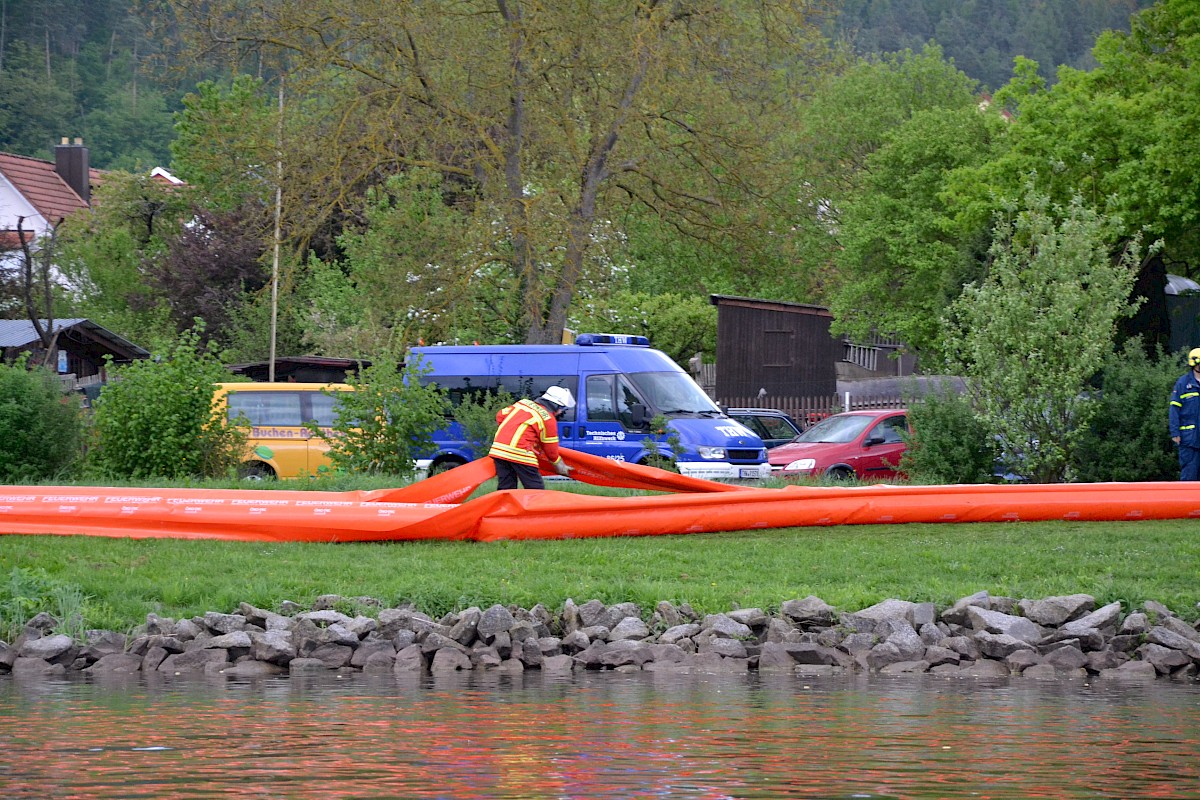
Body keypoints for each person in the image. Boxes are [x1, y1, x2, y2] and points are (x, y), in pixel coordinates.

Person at [488, 386, 575, 489]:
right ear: (555, 405)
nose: (561, 412)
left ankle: (504, 505)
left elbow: (500, 415)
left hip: (498, 450)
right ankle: (537, 504)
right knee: (535, 488)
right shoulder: (547, 418)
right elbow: (550, 448)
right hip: (520, 453)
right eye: (562, 408)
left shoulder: (522, 403)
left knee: (506, 486)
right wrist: (558, 464)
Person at [1169, 347, 1200, 480]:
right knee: (1189, 477)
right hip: (1189, 440)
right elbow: (1174, 410)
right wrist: (1175, 433)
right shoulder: (1183, 383)